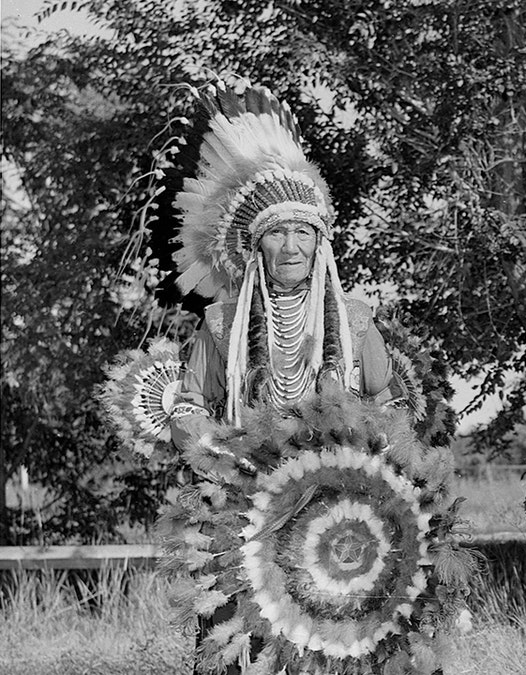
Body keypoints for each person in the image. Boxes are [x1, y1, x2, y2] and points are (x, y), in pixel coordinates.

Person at [160, 83, 402, 674]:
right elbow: (191, 402)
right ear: (254, 244)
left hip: (340, 510)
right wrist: (202, 438)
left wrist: (374, 450)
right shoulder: (220, 324)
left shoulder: (353, 318)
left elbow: (390, 399)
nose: (291, 245)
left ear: (322, 242)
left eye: (304, 232)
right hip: (248, 510)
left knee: (335, 646)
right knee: (243, 642)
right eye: (277, 231)